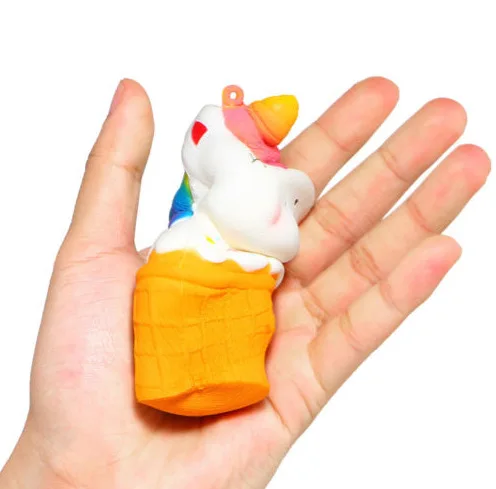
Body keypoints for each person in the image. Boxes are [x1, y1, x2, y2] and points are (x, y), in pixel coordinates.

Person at [0, 78, 490, 489]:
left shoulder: (237, 193)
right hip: (194, 275)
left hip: (228, 288)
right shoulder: (221, 192)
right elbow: (242, 212)